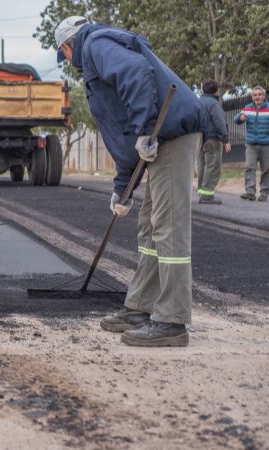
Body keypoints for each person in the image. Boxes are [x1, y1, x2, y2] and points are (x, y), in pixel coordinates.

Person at [55, 16, 207, 347]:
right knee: (149, 226)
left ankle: (172, 321)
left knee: (168, 226)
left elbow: (135, 74)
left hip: (172, 132)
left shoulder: (95, 45)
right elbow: (123, 138)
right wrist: (121, 190)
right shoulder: (96, 62)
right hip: (159, 134)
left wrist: (144, 127)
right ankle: (141, 306)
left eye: (64, 54)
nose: (67, 61)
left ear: (68, 46)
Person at [197, 80, 231, 204]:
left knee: (202, 166)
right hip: (212, 139)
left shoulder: (197, 102)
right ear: (216, 90)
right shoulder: (214, 104)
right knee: (213, 166)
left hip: (199, 139)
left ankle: (202, 192)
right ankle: (207, 195)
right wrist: (225, 139)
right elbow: (220, 122)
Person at [234, 86, 269, 202]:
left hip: (266, 144)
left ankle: (264, 193)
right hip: (251, 144)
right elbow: (235, 120)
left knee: (266, 169)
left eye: (260, 94)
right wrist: (240, 117)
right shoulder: (247, 108)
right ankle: (250, 191)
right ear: (252, 97)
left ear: (264, 96)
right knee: (249, 167)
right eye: (255, 95)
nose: (257, 97)